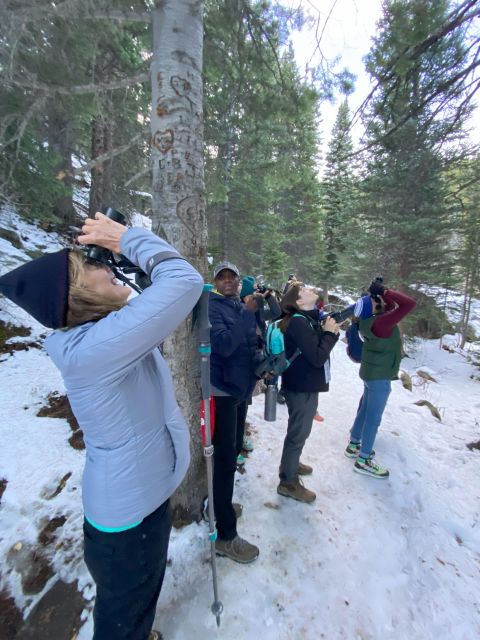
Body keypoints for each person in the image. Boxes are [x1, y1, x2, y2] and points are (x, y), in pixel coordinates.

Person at [0, 212, 204, 640]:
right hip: (128, 520)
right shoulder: (95, 349)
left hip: (139, 501)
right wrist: (126, 239)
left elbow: (156, 296)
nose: (106, 266)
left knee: (135, 601)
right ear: (73, 294)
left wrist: (121, 259)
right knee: (121, 618)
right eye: (92, 265)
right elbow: (183, 283)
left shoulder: (102, 333)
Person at [209, 261, 260, 563]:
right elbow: (225, 346)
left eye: (233, 277)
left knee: (233, 451)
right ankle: (225, 535)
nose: (228, 282)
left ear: (240, 282)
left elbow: (246, 345)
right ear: (215, 282)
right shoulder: (213, 306)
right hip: (223, 392)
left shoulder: (237, 305)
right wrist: (249, 313)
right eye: (222, 277)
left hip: (240, 390)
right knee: (225, 459)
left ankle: (220, 505)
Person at [344, 280, 416, 478]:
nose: (381, 301)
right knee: (373, 418)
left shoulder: (368, 321)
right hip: (379, 377)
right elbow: (409, 304)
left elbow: (392, 306)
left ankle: (354, 444)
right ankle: (364, 459)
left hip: (371, 373)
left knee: (365, 409)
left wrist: (379, 293)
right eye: (376, 300)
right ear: (374, 307)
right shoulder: (382, 323)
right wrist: (385, 291)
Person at [277, 283, 340, 503]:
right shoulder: (298, 322)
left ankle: (290, 465)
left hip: (303, 385)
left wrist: (329, 332)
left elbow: (316, 348)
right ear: (299, 302)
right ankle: (288, 482)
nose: (309, 289)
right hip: (301, 387)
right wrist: (330, 336)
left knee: (298, 431)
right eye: (303, 290)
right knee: (298, 433)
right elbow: (316, 357)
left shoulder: (307, 320)